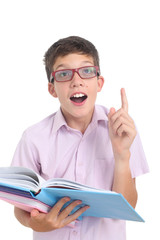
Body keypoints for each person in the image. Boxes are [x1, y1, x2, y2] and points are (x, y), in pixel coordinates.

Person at [11, 36, 149, 240]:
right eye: (64, 74)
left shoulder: (123, 129)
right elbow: (20, 208)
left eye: (86, 71)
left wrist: (121, 155)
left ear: (99, 82)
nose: (77, 81)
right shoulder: (33, 138)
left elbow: (128, 207)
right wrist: (34, 223)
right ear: (52, 89)